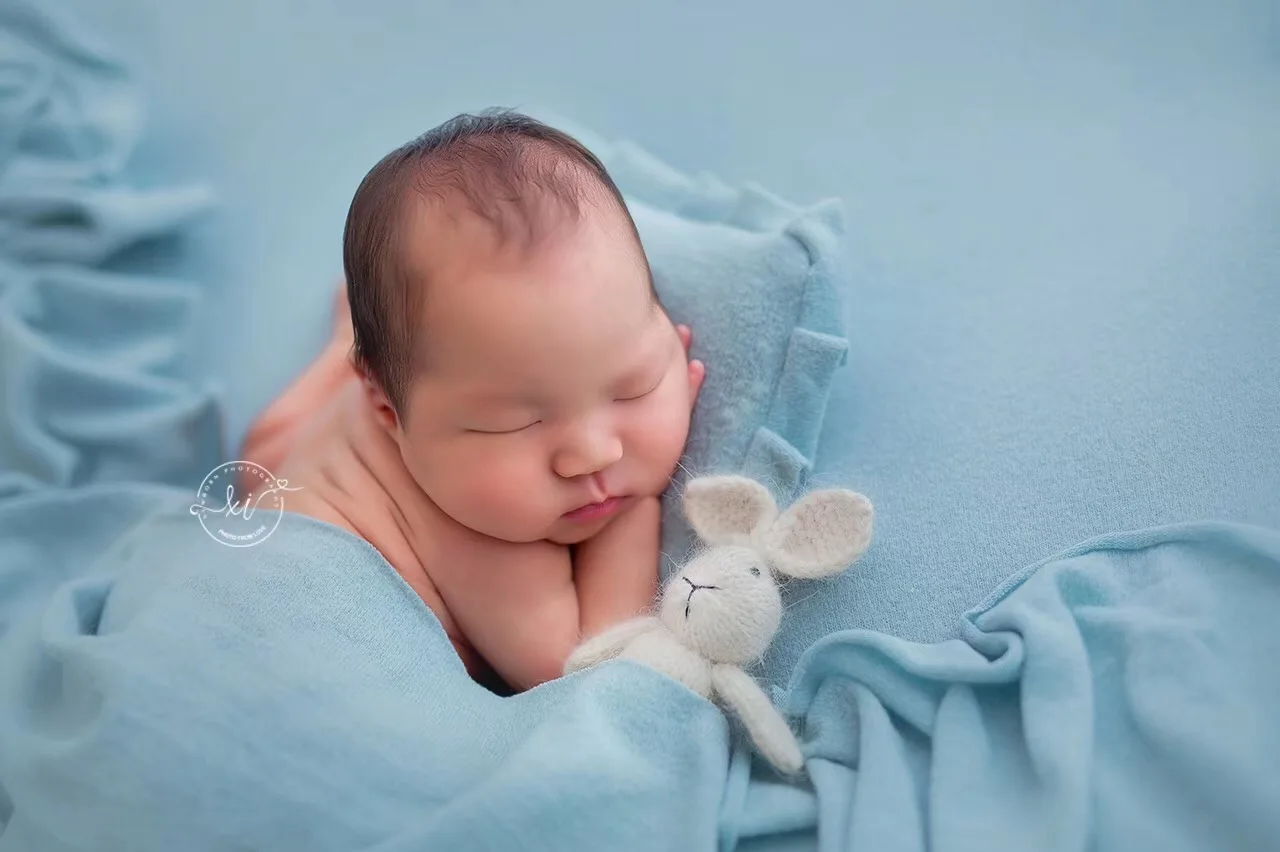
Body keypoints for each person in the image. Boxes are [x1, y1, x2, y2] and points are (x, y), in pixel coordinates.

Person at [241, 110, 705, 692]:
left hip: (278, 478)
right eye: (512, 424)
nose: (591, 454)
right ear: (388, 410)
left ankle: (343, 350)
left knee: (268, 453)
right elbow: (580, 669)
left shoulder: (444, 405)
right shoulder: (477, 533)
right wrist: (637, 512)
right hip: (285, 605)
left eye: (633, 386)